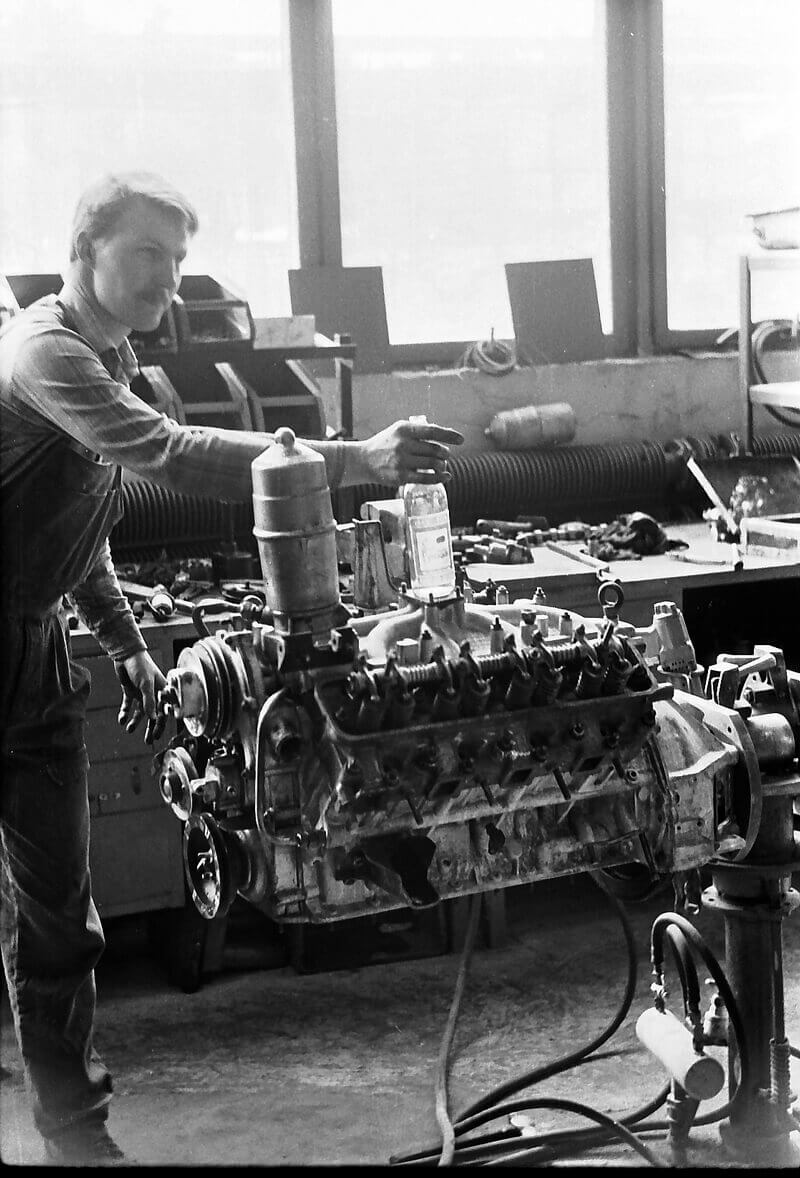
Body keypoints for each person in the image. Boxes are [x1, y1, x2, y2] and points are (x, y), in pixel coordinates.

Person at [0, 171, 463, 1165]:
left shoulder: (111, 354)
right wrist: (352, 457)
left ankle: (75, 1141)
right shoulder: (45, 349)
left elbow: (76, 523)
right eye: (145, 253)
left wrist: (124, 642)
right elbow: (162, 452)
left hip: (34, 653)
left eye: (177, 259)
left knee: (58, 920)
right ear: (85, 248)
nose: (166, 276)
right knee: (43, 918)